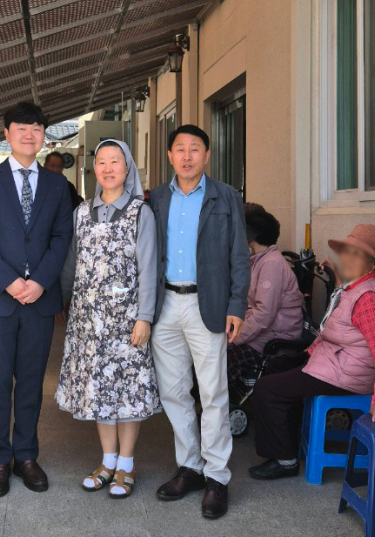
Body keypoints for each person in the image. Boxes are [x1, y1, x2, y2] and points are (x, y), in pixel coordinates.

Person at [0, 102, 73, 498]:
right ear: (7, 134)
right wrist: (11, 281)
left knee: (30, 382)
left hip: (40, 301)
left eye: (37, 129)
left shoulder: (58, 185)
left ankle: (26, 455)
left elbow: (62, 238)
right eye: (21, 129)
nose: (30, 135)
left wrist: (41, 282)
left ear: (44, 136)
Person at [149, 125, 250, 519]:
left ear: (207, 156)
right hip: (166, 303)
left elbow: (239, 255)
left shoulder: (225, 196)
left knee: (213, 395)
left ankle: (217, 477)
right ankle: (190, 467)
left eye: (195, 149)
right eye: (180, 149)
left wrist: (237, 305)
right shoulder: (156, 197)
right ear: (170, 156)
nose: (187, 156)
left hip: (208, 304)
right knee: (173, 392)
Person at [249, 224, 375, 480]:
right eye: (346, 251)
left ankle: (285, 460)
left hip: (348, 373)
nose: (347, 259)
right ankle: (290, 441)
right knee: (276, 366)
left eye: (356, 254)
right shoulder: (358, 285)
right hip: (335, 360)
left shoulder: (369, 298)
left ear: (373, 263)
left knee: (268, 389)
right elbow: (339, 327)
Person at [56, 139, 160, 499]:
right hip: (89, 320)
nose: (108, 168)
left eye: (116, 161)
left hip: (127, 319)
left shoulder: (140, 212)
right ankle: (107, 461)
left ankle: (127, 465)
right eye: (101, 162)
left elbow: (148, 268)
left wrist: (144, 317)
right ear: (94, 169)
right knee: (100, 391)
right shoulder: (81, 211)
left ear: (128, 167)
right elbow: (72, 262)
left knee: (127, 391)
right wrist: (63, 300)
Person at [227, 204, 304, 383]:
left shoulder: (271, 265)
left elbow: (264, 315)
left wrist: (234, 338)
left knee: (219, 359)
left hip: (275, 339)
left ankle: (219, 405)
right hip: (261, 332)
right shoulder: (257, 261)